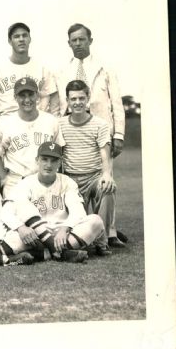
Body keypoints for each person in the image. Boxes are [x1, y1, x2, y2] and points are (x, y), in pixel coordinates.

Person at [54, 23, 127, 245]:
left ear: (90, 41)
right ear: (69, 43)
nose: (78, 43)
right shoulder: (63, 71)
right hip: (74, 132)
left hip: (102, 132)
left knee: (106, 181)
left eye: (81, 39)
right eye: (73, 40)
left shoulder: (104, 68)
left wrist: (119, 135)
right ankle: (87, 230)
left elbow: (116, 103)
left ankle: (110, 233)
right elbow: (61, 105)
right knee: (76, 190)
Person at [0, 142, 107, 263]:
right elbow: (5, 212)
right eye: (44, 159)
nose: (48, 165)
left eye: (53, 160)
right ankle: (62, 253)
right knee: (15, 234)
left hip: (61, 234)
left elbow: (78, 211)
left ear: (60, 162)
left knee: (96, 221)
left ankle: (43, 254)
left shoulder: (67, 182)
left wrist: (65, 228)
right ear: (37, 160)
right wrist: (21, 228)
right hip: (34, 235)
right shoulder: (25, 183)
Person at [58, 80, 118, 252]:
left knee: (108, 188)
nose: (77, 102)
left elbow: (105, 153)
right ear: (67, 101)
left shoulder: (100, 124)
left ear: (88, 98)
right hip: (71, 180)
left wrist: (106, 175)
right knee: (77, 221)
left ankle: (102, 242)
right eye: (73, 99)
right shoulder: (60, 124)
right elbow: (59, 154)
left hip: (94, 176)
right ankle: (79, 239)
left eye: (81, 98)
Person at [0, 77, 64, 198]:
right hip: (16, 181)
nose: (27, 100)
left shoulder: (51, 121)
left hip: (45, 181)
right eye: (22, 95)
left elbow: (60, 151)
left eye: (31, 94)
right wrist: (4, 178)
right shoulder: (4, 123)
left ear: (37, 95)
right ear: (15, 97)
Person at [0, 22, 56, 123]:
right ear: (10, 41)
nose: (21, 39)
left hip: (34, 121)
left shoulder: (42, 68)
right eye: (16, 36)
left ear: (30, 39)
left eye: (24, 35)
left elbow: (47, 97)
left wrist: (40, 119)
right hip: (7, 120)